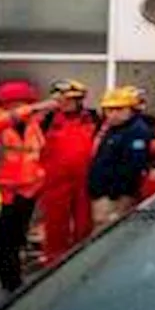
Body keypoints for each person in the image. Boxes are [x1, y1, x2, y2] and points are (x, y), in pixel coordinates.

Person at [0, 81, 57, 292]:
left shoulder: (32, 126)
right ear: (3, 104)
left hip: (26, 193)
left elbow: (36, 154)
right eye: (17, 103)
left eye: (26, 102)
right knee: (3, 243)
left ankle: (13, 284)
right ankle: (11, 287)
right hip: (0, 194)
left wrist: (39, 181)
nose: (22, 107)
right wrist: (35, 108)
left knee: (14, 241)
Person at [34, 79, 99, 267]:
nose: (66, 103)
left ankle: (82, 259)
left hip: (84, 178)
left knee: (84, 222)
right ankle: (53, 262)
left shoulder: (94, 117)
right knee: (55, 222)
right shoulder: (45, 120)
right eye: (62, 99)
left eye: (72, 99)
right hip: (55, 179)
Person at [87, 87, 155, 231]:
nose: (112, 114)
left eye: (118, 110)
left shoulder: (137, 131)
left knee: (109, 229)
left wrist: (114, 194)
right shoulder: (113, 129)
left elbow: (133, 167)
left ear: (131, 109)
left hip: (116, 195)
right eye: (108, 110)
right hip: (102, 191)